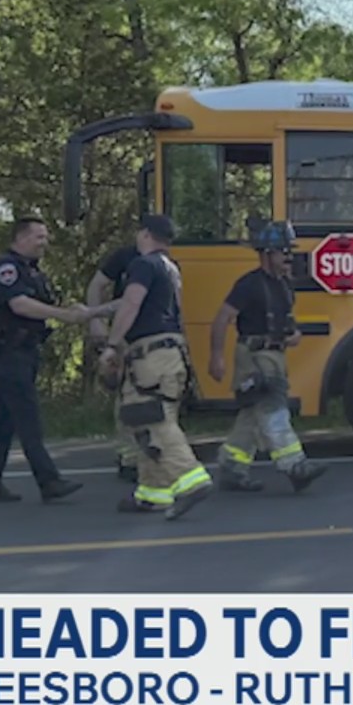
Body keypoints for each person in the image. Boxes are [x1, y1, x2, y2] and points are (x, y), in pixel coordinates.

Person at [0, 216, 111, 503]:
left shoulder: (31, 270)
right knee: (28, 419)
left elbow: (41, 303)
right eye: (39, 237)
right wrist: (63, 315)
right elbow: (20, 304)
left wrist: (72, 310)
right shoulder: (7, 268)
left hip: (25, 350)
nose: (44, 243)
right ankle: (48, 480)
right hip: (8, 351)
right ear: (21, 238)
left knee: (4, 421)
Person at [99, 214, 214, 519]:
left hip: (150, 354)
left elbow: (131, 303)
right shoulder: (169, 268)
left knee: (150, 418)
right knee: (145, 422)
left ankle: (191, 479)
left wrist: (112, 344)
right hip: (170, 353)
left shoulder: (143, 264)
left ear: (145, 234)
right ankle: (153, 492)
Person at [207, 220, 327, 493]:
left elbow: (286, 321)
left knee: (252, 415)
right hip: (254, 358)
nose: (289, 256)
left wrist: (293, 334)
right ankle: (295, 465)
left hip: (275, 357)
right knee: (273, 408)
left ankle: (232, 468)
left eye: (289, 250)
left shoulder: (284, 284)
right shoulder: (248, 285)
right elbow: (222, 318)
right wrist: (216, 357)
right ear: (266, 253)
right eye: (283, 251)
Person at [86, 240, 142, 483]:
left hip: (153, 335)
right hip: (124, 334)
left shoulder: (166, 261)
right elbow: (97, 285)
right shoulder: (126, 255)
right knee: (126, 394)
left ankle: (147, 452)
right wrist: (96, 320)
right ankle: (129, 457)